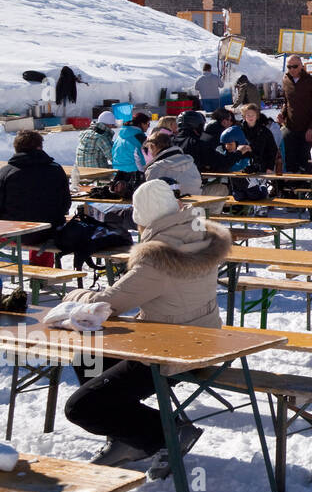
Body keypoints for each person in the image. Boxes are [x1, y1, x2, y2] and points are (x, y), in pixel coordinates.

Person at [62, 180, 230, 470]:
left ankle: (167, 433)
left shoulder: (159, 257)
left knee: (81, 407)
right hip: (201, 336)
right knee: (88, 354)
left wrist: (74, 294)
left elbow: (108, 304)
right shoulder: (200, 234)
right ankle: (125, 434)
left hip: (170, 352)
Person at [0, 130, 72, 246]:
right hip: (50, 230)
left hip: (13, 231)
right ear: (40, 147)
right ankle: (39, 262)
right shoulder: (56, 170)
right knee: (45, 227)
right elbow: (66, 204)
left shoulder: (6, 172)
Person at [280, 56, 312, 174]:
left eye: (295, 66)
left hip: (308, 129)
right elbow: (286, 101)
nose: (292, 69)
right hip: (292, 128)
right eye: (289, 67)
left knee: (307, 162)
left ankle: (308, 189)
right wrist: (282, 114)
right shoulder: (286, 80)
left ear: (301, 66)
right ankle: (292, 189)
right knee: (291, 161)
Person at [142, 133, 202, 197]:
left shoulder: (154, 169)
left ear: (153, 147)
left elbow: (150, 194)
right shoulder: (190, 162)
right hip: (196, 199)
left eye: (148, 148)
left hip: (172, 204)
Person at [239, 103, 281, 173]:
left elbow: (272, 150)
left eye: (253, 115)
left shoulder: (264, 131)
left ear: (257, 116)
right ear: (244, 116)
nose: (250, 117)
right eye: (248, 115)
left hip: (262, 167)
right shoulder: (239, 131)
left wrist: (269, 167)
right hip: (243, 166)